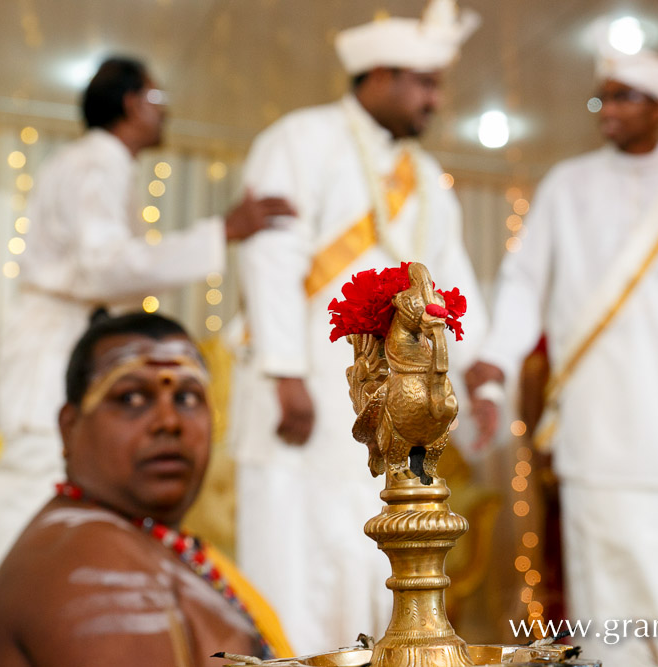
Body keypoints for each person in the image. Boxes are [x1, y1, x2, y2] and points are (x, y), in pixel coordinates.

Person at [0, 56, 295, 642]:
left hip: (61, 339)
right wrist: (220, 231)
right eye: (157, 95)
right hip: (54, 349)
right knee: (34, 498)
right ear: (130, 103)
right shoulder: (99, 160)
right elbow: (103, 265)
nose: (164, 108)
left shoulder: (96, 161)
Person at [466, 49, 658, 666]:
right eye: (603, 97)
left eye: (624, 97)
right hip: (594, 431)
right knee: (604, 603)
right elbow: (524, 281)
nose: (608, 110)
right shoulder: (567, 184)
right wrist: (496, 358)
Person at [229, 0, 486, 654]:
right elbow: (271, 257)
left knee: (375, 545)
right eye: (424, 83)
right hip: (305, 391)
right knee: (295, 551)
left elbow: (453, 283)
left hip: (387, 404)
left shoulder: (429, 177)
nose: (435, 99)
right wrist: (285, 373)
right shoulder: (300, 138)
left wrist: (478, 374)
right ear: (380, 74)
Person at [0, 311, 292, 666]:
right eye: (132, 398)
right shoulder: (89, 563)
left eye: (187, 397)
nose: (168, 422)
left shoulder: (144, 540)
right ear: (69, 427)